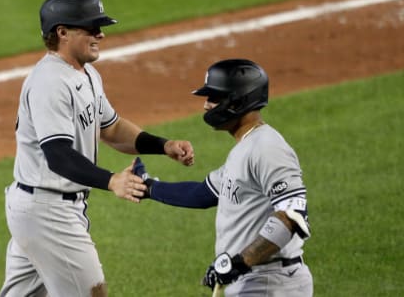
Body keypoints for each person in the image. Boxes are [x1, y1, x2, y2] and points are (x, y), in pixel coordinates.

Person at [0, 0, 194, 297]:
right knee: (92, 293)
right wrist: (112, 180)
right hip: (48, 211)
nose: (100, 34)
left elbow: (112, 128)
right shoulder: (50, 82)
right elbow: (59, 156)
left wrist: (163, 145)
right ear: (62, 32)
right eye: (91, 27)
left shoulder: (85, 73)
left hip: (41, 207)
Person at [134, 59, 313, 296]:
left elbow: (292, 216)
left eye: (214, 98)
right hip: (254, 280)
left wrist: (240, 263)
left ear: (239, 101)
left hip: (271, 282)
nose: (207, 106)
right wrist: (148, 187)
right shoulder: (245, 147)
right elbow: (202, 194)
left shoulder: (267, 148)